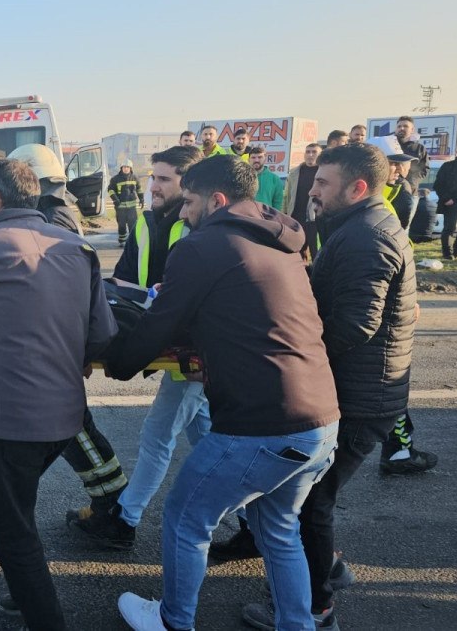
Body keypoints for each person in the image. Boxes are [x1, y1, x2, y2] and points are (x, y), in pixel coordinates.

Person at [108, 154, 340, 631]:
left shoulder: (202, 246)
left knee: (185, 517)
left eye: (189, 202)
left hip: (262, 424)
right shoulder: (281, 241)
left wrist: (117, 363)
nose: (183, 212)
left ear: (216, 200)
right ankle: (297, 625)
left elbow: (159, 323)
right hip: (320, 421)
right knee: (279, 530)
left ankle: (172, 621)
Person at [0, 158, 117, 630]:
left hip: (7, 420)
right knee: (18, 503)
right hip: (67, 416)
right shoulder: (78, 247)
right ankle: (22, 590)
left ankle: (42, 614)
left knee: (10, 529)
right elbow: (101, 335)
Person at [241, 142, 417, 630]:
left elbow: (357, 324)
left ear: (357, 188)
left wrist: (296, 359)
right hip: (363, 389)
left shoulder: (366, 237)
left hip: (362, 397)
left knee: (311, 503)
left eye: (322, 183)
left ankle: (315, 609)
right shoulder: (358, 226)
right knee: (311, 499)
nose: (312, 191)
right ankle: (328, 569)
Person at [0, 144, 127, 538]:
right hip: (55, 365)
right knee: (49, 443)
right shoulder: (57, 219)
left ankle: (111, 507)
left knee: (64, 441)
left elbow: (32, 299)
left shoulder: (42, 224)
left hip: (38, 371)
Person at [83, 145, 211, 550]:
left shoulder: (200, 229)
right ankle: (253, 524)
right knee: (206, 436)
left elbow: (189, 303)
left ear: (189, 185)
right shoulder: (145, 221)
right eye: (152, 177)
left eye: (163, 179)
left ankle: (125, 519)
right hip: (167, 345)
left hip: (190, 354)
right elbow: (122, 281)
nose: (153, 186)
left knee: (157, 436)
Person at [286, 143, 322, 258]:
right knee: (296, 252)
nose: (310, 155)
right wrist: (285, 214)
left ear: (320, 155)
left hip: (315, 219)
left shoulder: (324, 173)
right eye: (308, 152)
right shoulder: (294, 172)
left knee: (316, 252)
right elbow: (287, 196)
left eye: (314, 152)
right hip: (296, 218)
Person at [108, 160, 142, 246]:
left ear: (130, 168)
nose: (126, 169)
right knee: (121, 225)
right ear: (121, 168)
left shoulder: (135, 178)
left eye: (127, 167)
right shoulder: (115, 179)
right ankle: (122, 241)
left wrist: (142, 199)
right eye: (124, 167)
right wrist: (115, 199)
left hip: (132, 206)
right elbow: (110, 190)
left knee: (133, 224)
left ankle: (132, 242)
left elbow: (139, 189)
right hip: (120, 206)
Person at [395, 116, 430, 193]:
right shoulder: (389, 145)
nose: (402, 128)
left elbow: (424, 170)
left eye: (405, 126)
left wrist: (410, 180)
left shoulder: (419, 148)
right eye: (399, 126)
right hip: (389, 188)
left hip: (409, 191)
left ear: (412, 130)